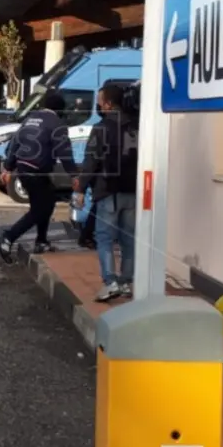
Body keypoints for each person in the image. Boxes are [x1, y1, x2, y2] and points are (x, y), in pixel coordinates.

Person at [0, 90, 76, 261]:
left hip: (23, 169)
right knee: (40, 209)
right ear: (60, 109)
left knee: (48, 202)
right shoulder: (57, 124)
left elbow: (14, 143)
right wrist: (74, 175)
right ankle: (7, 238)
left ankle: (41, 241)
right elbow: (65, 152)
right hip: (37, 170)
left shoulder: (29, 119)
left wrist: (8, 169)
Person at [75, 84, 139, 302]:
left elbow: (91, 160)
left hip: (108, 190)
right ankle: (126, 282)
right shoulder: (138, 125)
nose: (99, 105)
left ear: (109, 104)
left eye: (100, 101)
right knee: (129, 239)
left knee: (104, 238)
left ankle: (110, 282)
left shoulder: (101, 128)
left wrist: (81, 189)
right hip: (133, 190)